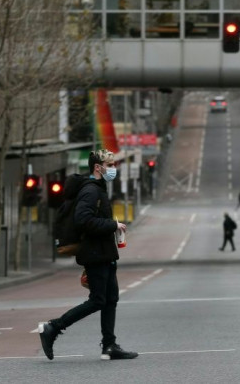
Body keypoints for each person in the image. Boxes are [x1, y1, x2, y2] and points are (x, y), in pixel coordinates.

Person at [39, 149, 138, 361]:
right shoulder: (91, 191)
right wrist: (112, 224)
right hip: (95, 254)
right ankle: (53, 327)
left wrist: (112, 227)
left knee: (110, 299)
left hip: (103, 252)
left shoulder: (98, 189)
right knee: (97, 300)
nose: (113, 169)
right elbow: (82, 220)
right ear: (98, 167)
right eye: (110, 165)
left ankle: (109, 345)